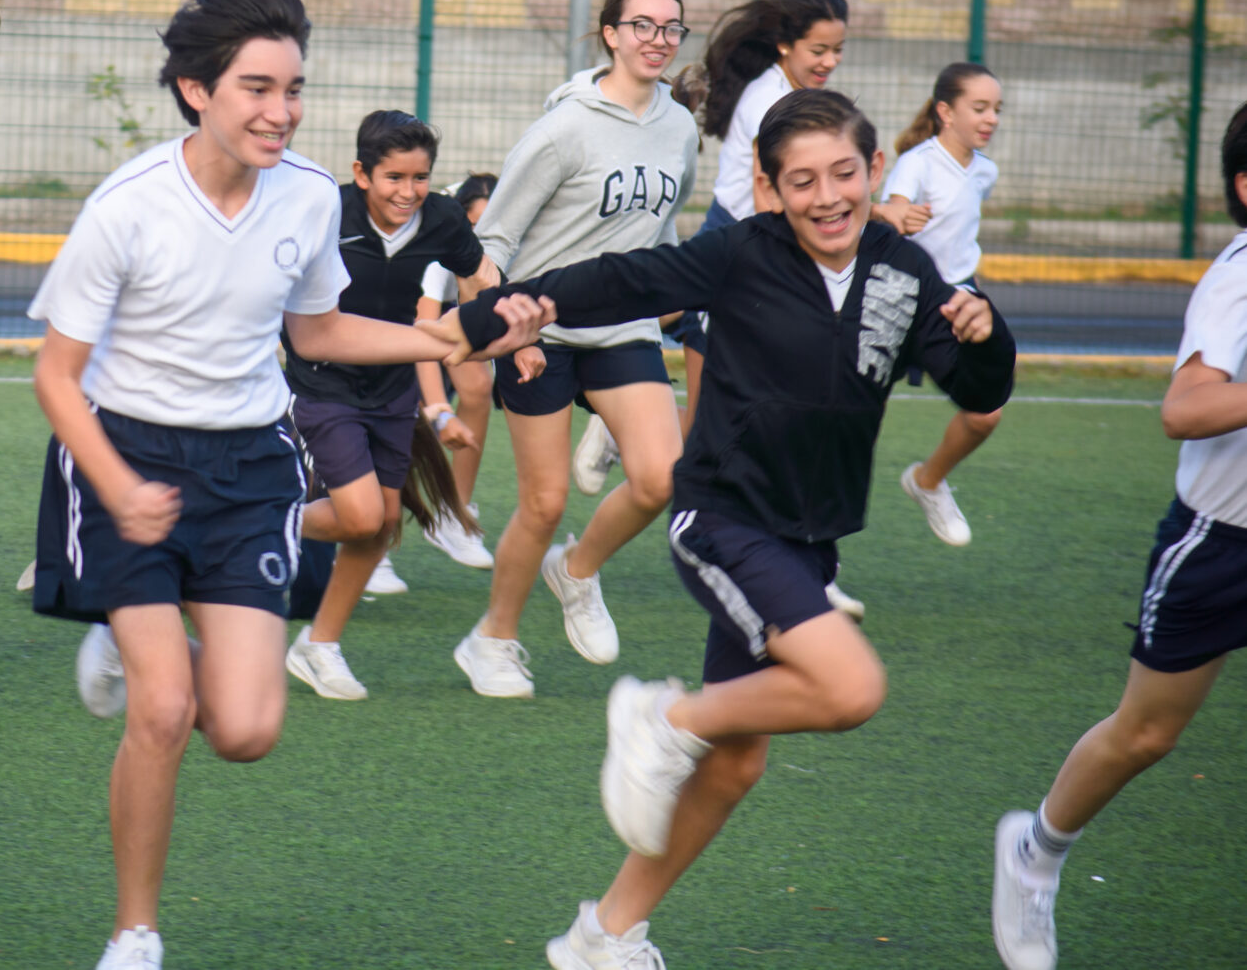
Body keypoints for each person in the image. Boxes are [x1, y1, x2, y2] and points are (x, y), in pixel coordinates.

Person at [25, 0, 545, 970]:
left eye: (293, 86)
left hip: (250, 466)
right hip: (124, 451)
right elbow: (55, 374)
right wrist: (118, 486)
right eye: (256, 86)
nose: (280, 108)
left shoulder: (307, 195)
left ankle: (150, 640)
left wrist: (458, 334)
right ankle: (134, 932)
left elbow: (317, 330)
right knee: (165, 709)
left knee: (248, 730)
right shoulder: (126, 206)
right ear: (195, 90)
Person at [441, 87, 1015, 970]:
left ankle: (606, 933)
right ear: (770, 185)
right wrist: (509, 308)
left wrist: (984, 333)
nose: (826, 196)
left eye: (843, 174)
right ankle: (661, 714)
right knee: (851, 688)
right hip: (724, 517)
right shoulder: (742, 254)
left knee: (736, 764)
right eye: (801, 180)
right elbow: (622, 278)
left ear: (873, 170)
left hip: (809, 536)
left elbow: (975, 385)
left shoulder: (905, 269)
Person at [991, 100, 1247, 970]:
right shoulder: (1240, 278)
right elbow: (1185, 406)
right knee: (1147, 733)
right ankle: (1037, 852)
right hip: (1221, 545)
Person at [453, 0, 698, 698]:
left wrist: (676, 297)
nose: (658, 39)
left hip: (620, 326)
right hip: (542, 330)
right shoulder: (562, 128)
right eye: (643, 25)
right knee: (544, 501)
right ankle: (492, 638)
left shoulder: (680, 127)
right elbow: (488, 244)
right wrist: (511, 333)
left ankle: (578, 568)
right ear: (611, 34)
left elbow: (664, 224)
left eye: (672, 27)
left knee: (660, 476)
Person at [280, 110, 497, 700]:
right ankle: (247, 527)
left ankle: (318, 647)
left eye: (420, 177)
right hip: (324, 384)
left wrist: (504, 330)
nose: (408, 192)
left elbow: (480, 272)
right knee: (359, 516)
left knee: (379, 529)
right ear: (361, 174)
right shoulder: (327, 213)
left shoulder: (443, 217)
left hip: (392, 388)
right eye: (394, 178)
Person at [664, 0, 864, 621]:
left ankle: (810, 562)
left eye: (838, 50)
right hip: (746, 249)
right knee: (722, 425)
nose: (830, 60)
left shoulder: (805, 99)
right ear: (785, 44)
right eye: (819, 48)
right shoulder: (767, 101)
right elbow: (769, 195)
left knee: (800, 413)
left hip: (780, 252)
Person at [874, 62, 1005, 548]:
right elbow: (893, 216)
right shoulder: (918, 162)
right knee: (853, 421)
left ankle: (927, 481)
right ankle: (816, 550)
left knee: (985, 413)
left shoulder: (985, 170)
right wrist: (901, 214)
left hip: (957, 302)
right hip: (900, 299)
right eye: (980, 108)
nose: (991, 118)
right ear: (945, 112)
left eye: (996, 109)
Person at [412, 172, 500, 573]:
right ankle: (372, 541)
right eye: (474, 226)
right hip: (391, 322)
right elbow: (420, 336)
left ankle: (453, 513)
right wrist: (438, 410)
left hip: (447, 321)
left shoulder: (505, 245)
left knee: (478, 387)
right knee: (400, 419)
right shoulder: (439, 245)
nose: (481, 236)